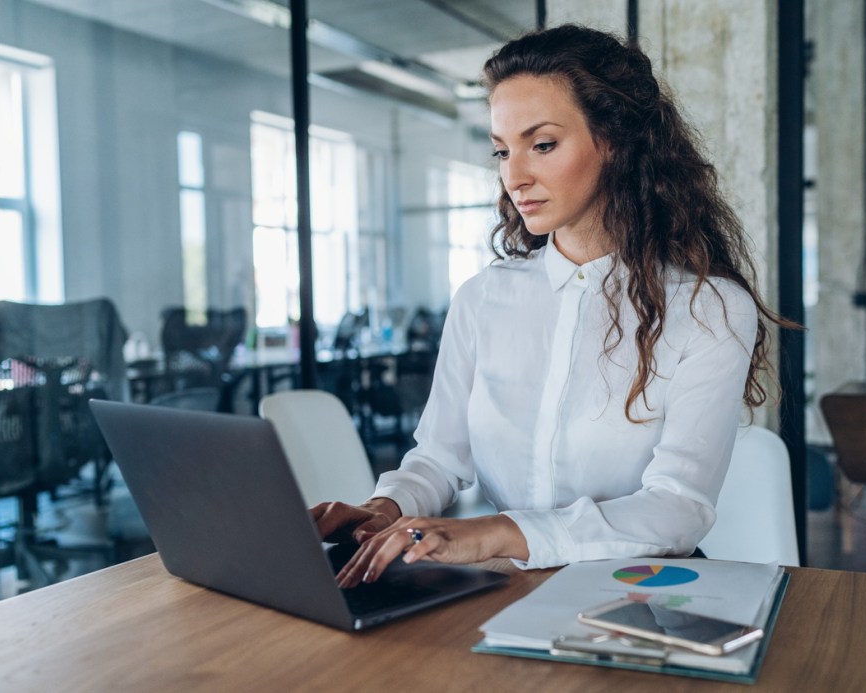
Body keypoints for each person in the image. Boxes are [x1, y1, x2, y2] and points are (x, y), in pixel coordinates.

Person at [312, 24, 792, 588]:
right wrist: (387, 507)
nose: (515, 176)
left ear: (612, 141)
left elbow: (678, 507)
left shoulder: (710, 308)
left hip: (641, 591)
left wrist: (495, 531)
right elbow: (440, 456)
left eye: (541, 144)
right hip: (504, 583)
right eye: (501, 150)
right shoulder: (484, 298)